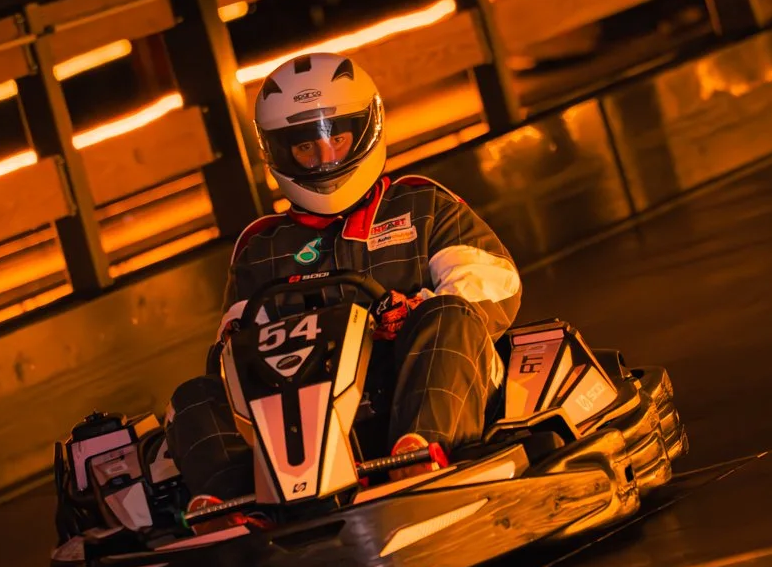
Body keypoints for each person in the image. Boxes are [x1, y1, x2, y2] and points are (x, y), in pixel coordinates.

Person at [166, 51, 522, 506]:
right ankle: (235, 506)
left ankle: (419, 453)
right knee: (193, 396)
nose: (324, 158)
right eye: (305, 148)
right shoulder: (262, 246)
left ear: (367, 131)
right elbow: (231, 353)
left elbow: (494, 282)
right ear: (278, 153)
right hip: (310, 422)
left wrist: (414, 310)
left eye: (338, 138)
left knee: (450, 312)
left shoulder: (422, 204)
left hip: (416, 383)